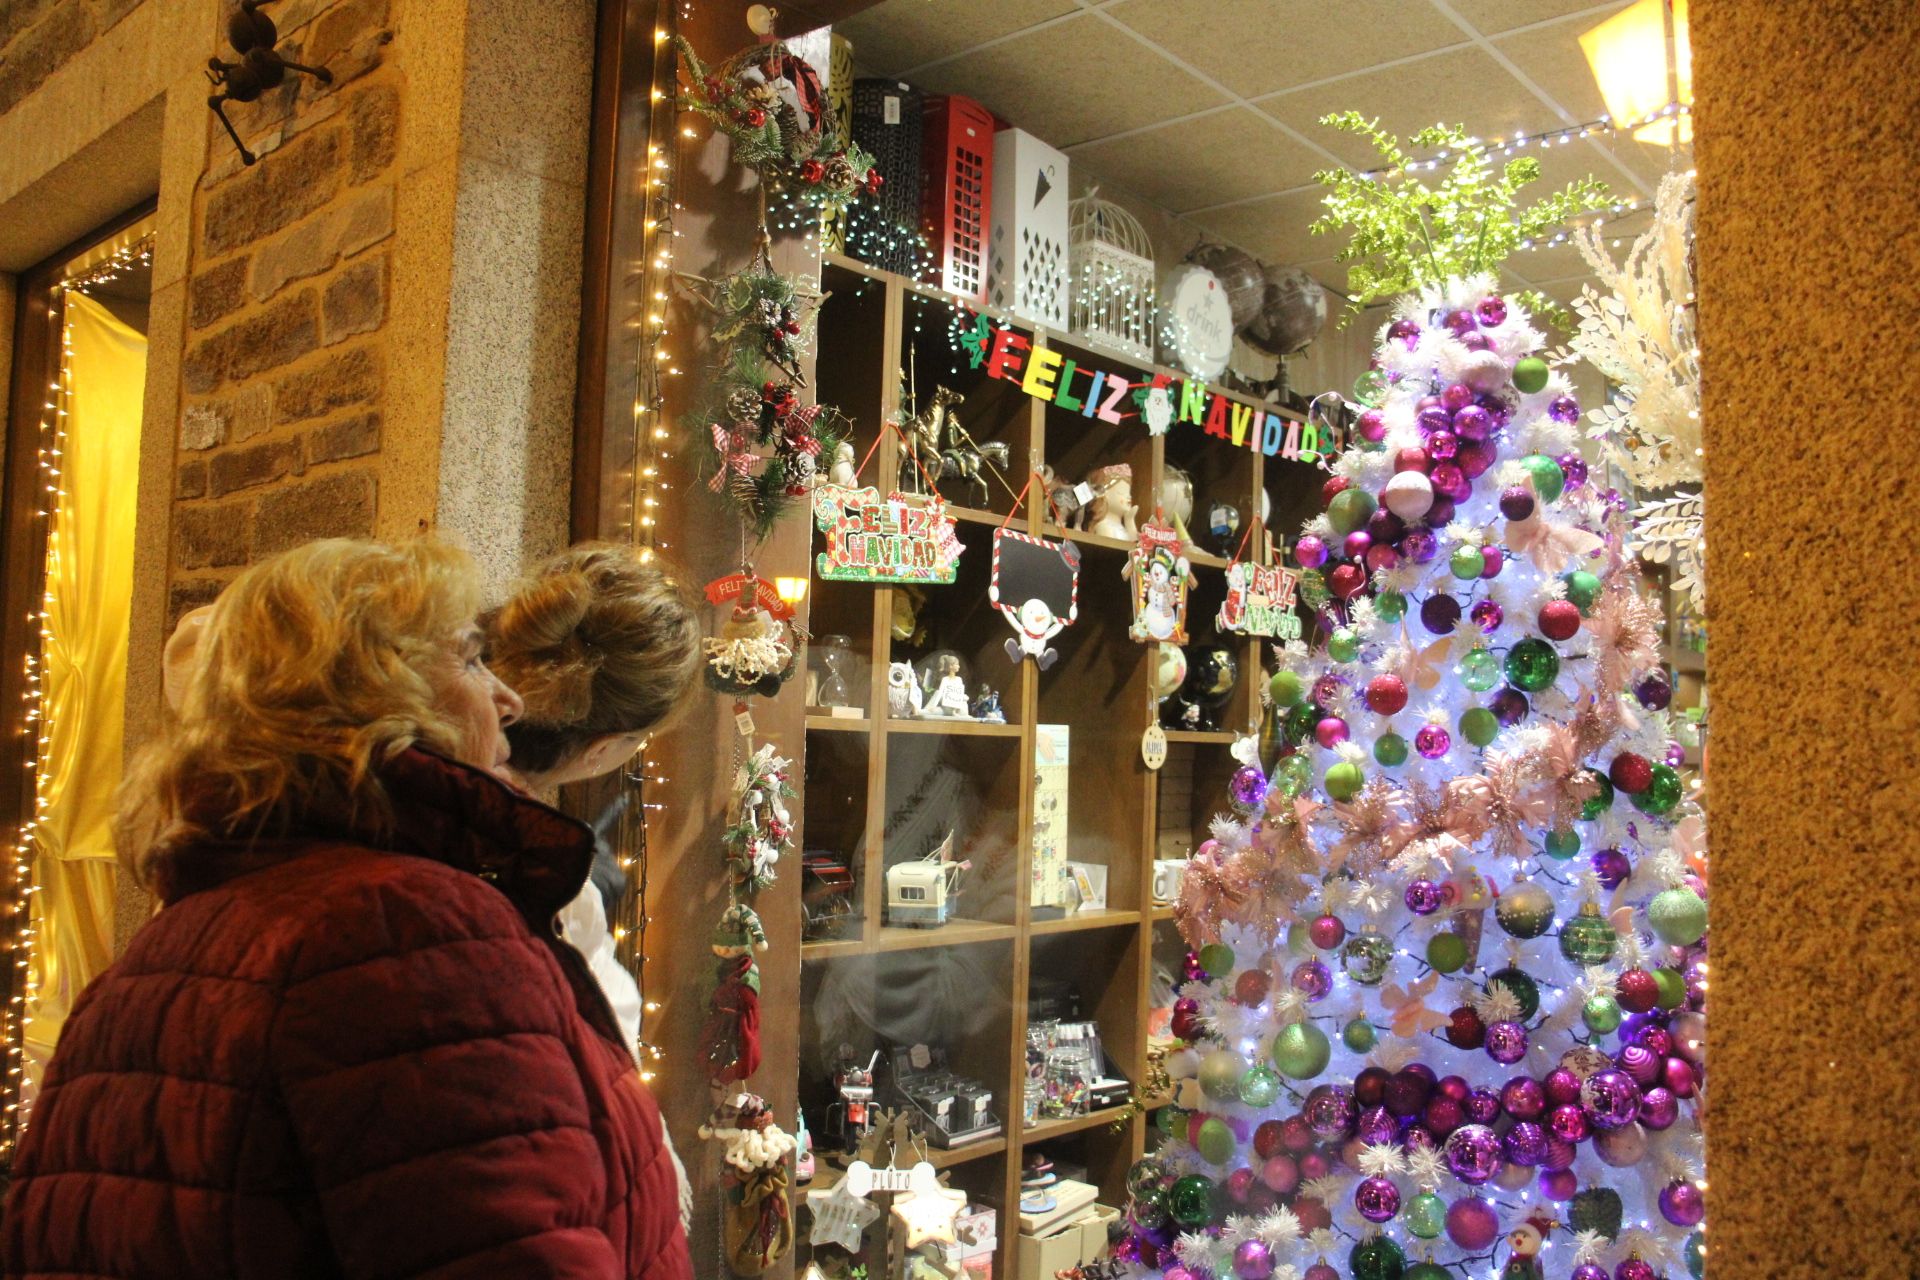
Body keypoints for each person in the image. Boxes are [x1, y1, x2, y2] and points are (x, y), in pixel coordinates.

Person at [1, 539, 693, 1280]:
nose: (510, 698)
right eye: (469, 658)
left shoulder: (153, 955)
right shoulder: (417, 932)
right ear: (376, 695)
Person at [483, 543, 701, 1055]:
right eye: (638, 741)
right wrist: (578, 895)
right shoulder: (540, 891)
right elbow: (608, 1056)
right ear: (601, 749)